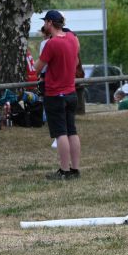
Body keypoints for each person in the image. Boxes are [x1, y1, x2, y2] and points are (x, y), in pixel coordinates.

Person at [33, 10, 81, 179]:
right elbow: (76, 61)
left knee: (60, 133)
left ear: (50, 23)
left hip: (55, 93)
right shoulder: (72, 38)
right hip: (71, 92)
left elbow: (37, 68)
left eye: (45, 22)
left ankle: (64, 171)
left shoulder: (51, 44)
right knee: (72, 131)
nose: (44, 25)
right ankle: (75, 169)